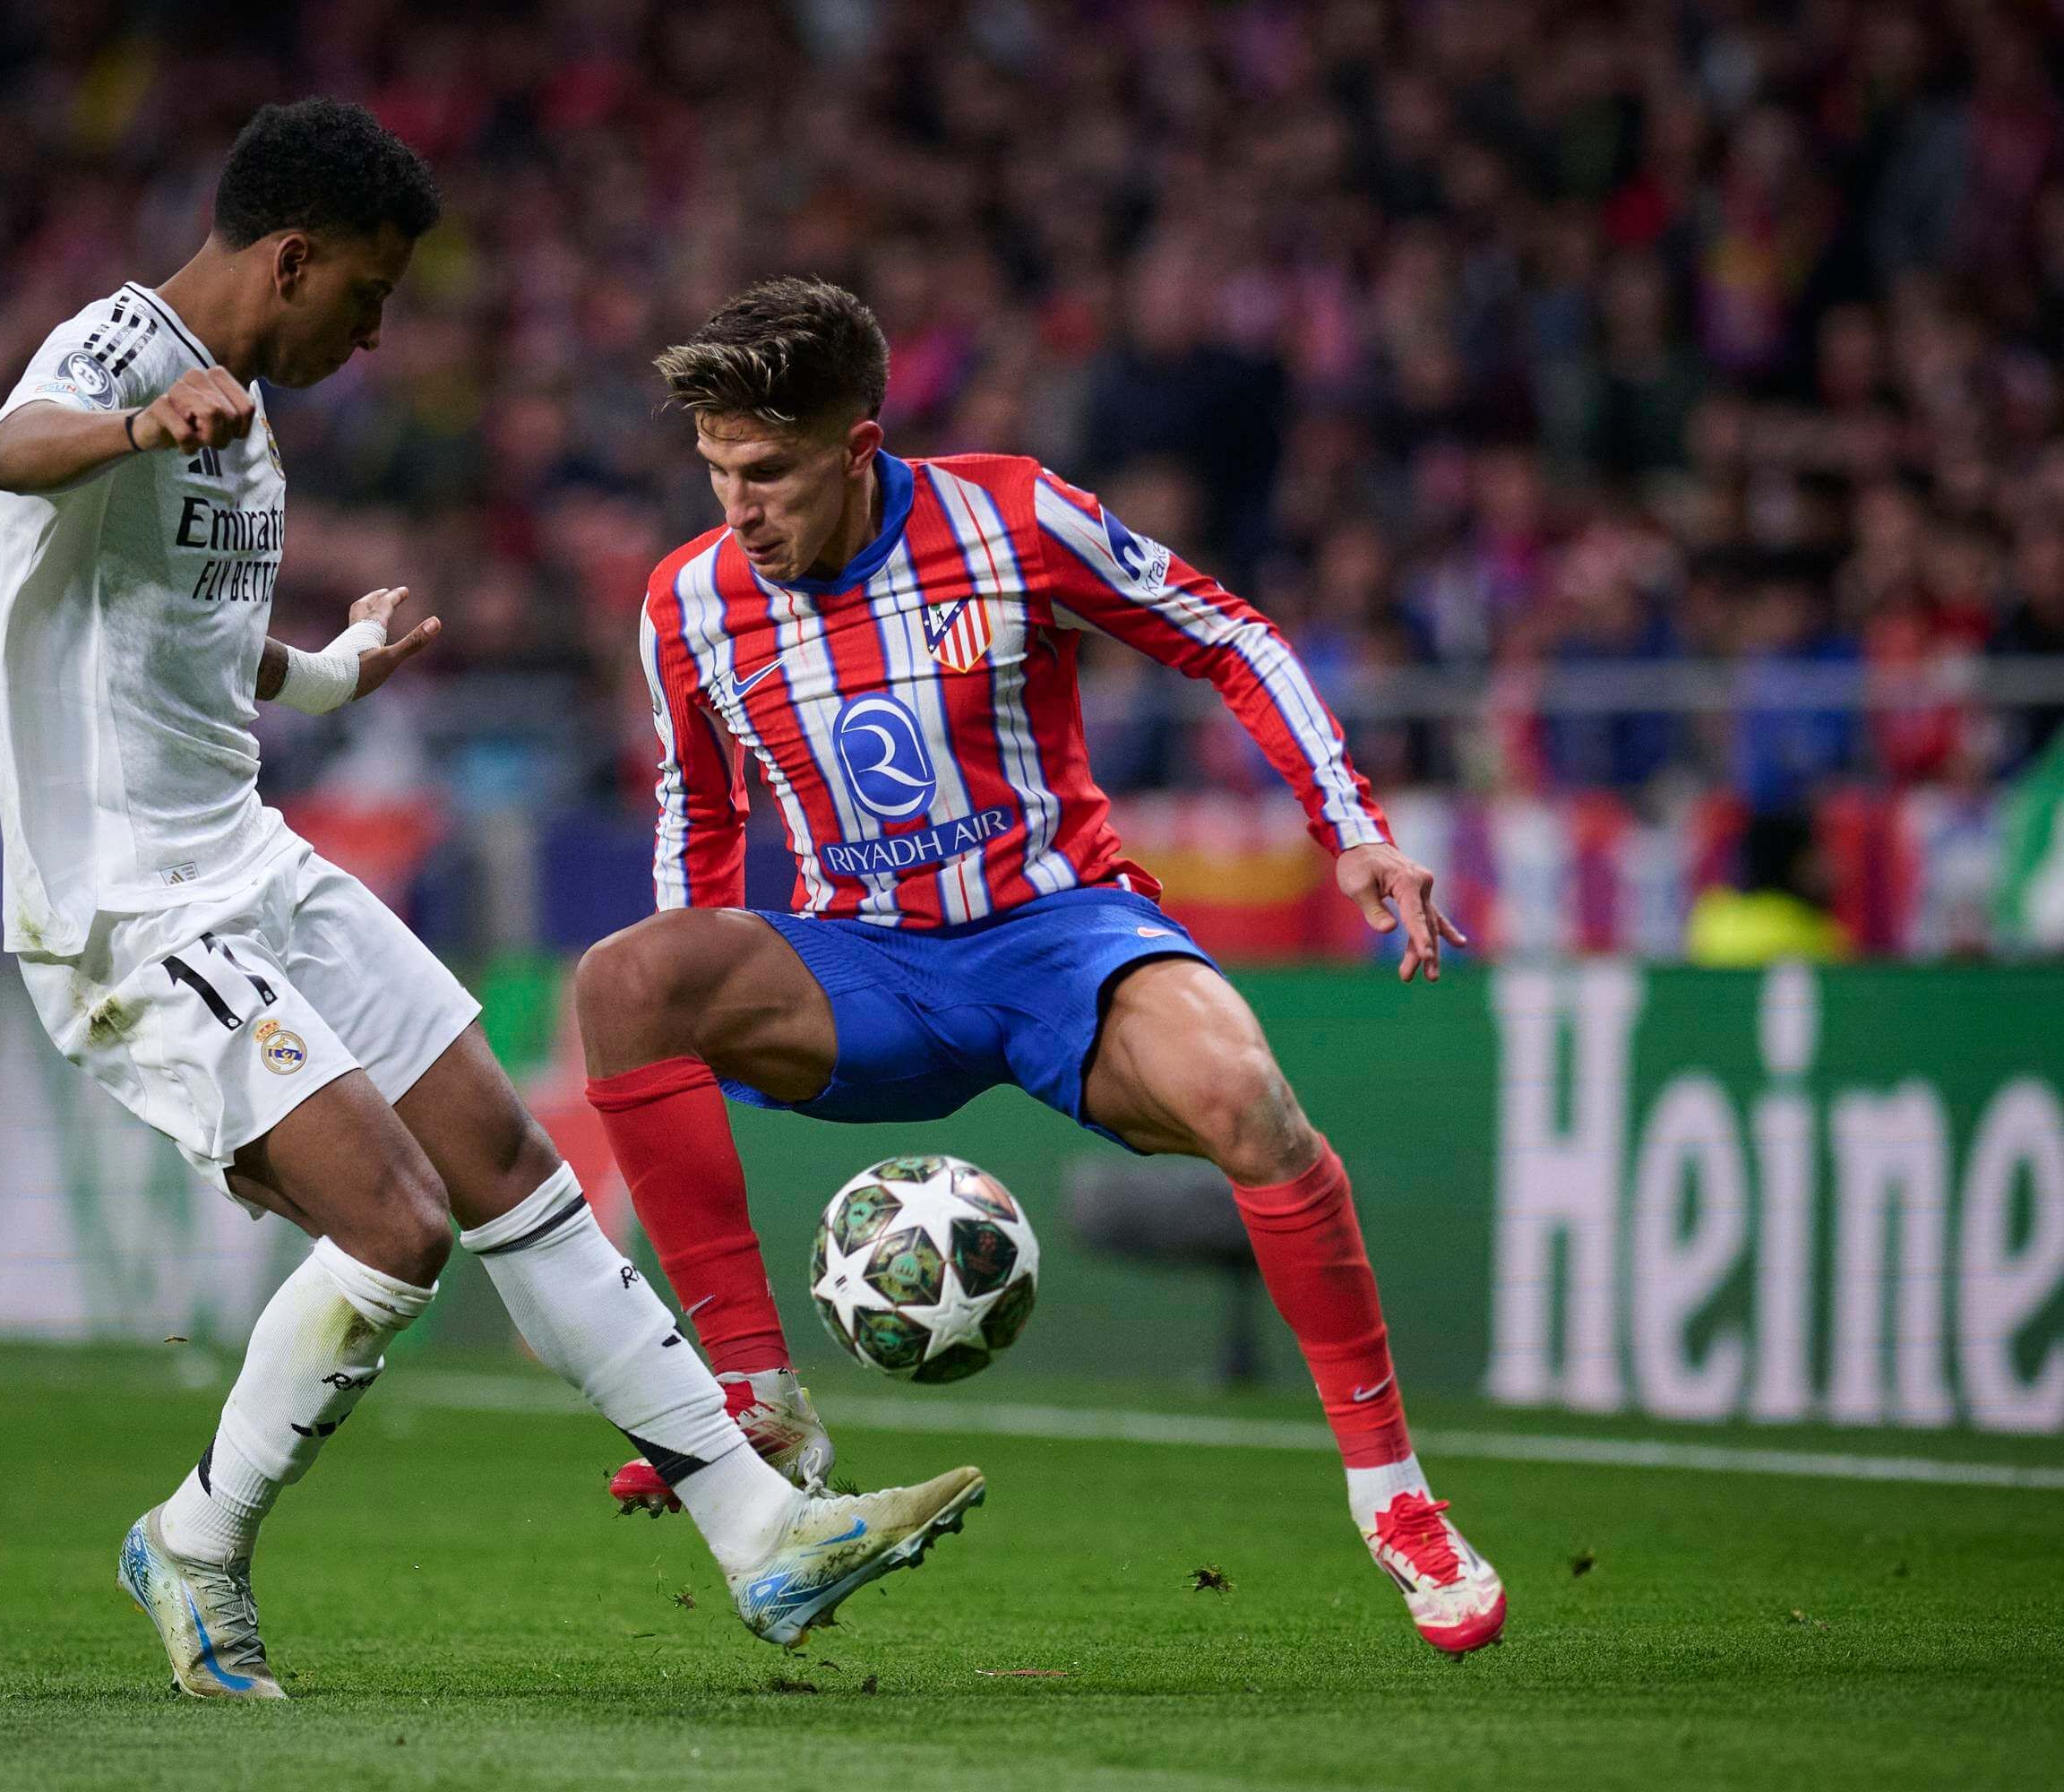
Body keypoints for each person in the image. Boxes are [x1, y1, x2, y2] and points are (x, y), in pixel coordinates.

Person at [0, 110, 981, 1699]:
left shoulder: (240, 425)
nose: (376, 331)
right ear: (290, 257)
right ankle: (192, 1539)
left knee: (511, 1162)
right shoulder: (121, 349)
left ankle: (763, 1533)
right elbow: (9, 447)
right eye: (365, 294)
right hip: (129, 911)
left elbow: (181, 640)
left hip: (249, 855)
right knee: (397, 1224)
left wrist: (326, 676)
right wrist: (128, 424)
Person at [576, 278, 1503, 1655]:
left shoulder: (1009, 516)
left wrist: (1352, 830)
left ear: (858, 445)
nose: (736, 509)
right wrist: (689, 971)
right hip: (869, 971)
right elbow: (698, 820)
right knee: (620, 979)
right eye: (714, 474)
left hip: (1061, 940)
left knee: (1248, 1097)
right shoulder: (690, 604)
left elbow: (1227, 634)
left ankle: (1395, 1498)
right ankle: (752, 1394)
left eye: (765, 473)